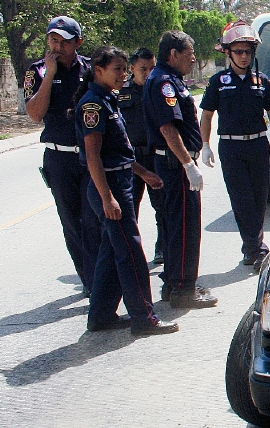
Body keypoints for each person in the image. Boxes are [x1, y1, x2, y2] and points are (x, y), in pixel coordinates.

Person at [75, 45, 177, 335]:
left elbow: (118, 151)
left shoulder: (108, 100)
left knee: (112, 250)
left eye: (123, 68)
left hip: (120, 181)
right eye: (116, 69)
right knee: (130, 253)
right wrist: (107, 198)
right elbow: (93, 156)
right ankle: (145, 319)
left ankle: (101, 315)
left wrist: (143, 173)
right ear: (98, 71)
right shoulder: (93, 105)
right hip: (109, 187)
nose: (122, 74)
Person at [22, 15, 99, 295]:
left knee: (94, 220)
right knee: (72, 223)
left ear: (77, 42)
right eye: (52, 39)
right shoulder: (37, 72)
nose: (57, 45)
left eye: (63, 41)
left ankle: (98, 280)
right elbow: (34, 114)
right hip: (59, 158)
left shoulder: (92, 68)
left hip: (90, 156)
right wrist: (51, 74)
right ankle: (90, 282)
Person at [198, 20, 270, 269]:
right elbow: (206, 114)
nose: (244, 56)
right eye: (238, 51)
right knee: (242, 199)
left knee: (259, 199)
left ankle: (253, 247)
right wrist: (205, 144)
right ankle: (255, 248)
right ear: (227, 52)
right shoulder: (218, 81)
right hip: (231, 147)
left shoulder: (262, 81)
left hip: (257, 145)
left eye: (248, 51)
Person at [144, 30, 218, 308]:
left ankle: (174, 282)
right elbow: (167, 127)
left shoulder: (170, 79)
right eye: (189, 53)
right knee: (185, 227)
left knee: (175, 225)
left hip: (175, 162)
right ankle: (183, 289)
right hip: (175, 164)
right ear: (173, 54)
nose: (194, 58)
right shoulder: (164, 82)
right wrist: (188, 164)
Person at [119, 48, 166, 265]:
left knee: (162, 206)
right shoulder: (121, 92)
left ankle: (162, 248)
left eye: (152, 68)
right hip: (130, 161)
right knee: (129, 209)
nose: (148, 73)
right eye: (142, 69)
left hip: (155, 157)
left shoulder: (159, 90)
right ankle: (131, 250)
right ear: (132, 69)